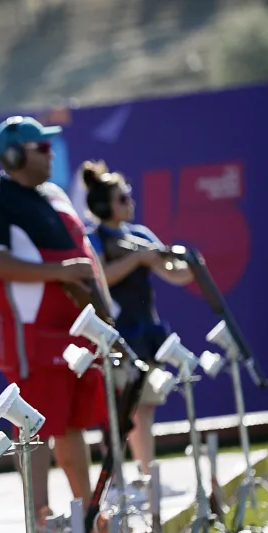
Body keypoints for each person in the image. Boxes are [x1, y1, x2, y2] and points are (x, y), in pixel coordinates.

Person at [0, 116, 112, 533]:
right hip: (29, 332)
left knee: (71, 426)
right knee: (34, 428)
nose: (51, 155)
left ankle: (86, 512)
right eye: (41, 148)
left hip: (74, 329)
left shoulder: (55, 195)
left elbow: (83, 259)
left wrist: (101, 306)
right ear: (14, 155)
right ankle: (40, 522)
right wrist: (59, 273)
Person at [81, 160, 194, 480]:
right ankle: (114, 481)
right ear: (104, 205)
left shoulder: (141, 234)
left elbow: (171, 272)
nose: (129, 202)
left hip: (145, 332)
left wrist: (191, 267)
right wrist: (139, 258)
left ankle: (147, 476)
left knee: (145, 408)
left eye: (128, 196)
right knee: (116, 414)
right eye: (121, 198)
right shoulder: (96, 240)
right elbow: (101, 276)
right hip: (117, 336)